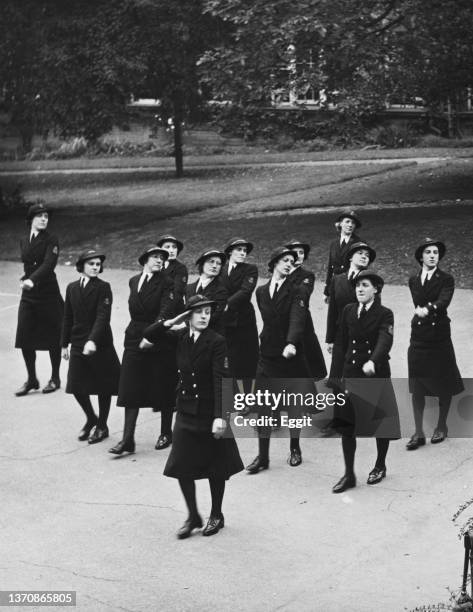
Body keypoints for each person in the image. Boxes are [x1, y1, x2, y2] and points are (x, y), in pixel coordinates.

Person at [143, 295, 243, 539]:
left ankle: (216, 514)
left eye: (208, 312)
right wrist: (170, 321)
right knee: (182, 465)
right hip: (187, 409)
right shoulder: (181, 337)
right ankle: (193, 515)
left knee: (216, 466)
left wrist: (221, 417)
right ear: (188, 316)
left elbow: (222, 380)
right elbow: (147, 336)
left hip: (210, 412)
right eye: (198, 312)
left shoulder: (216, 341)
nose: (204, 317)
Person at [332, 270, 400, 493]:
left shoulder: (384, 314)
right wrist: (338, 376)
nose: (359, 289)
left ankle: (380, 464)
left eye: (364, 285)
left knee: (381, 423)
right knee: (347, 426)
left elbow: (385, 339)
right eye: (357, 286)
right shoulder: (348, 310)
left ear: (376, 289)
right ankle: (349, 474)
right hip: (351, 374)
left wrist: (373, 360)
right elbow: (341, 344)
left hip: (375, 373)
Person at [247, 247, 313, 473]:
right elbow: (269, 321)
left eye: (292, 262)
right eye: (284, 260)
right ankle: (262, 457)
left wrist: (292, 342)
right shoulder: (261, 291)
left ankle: (295, 448)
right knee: (264, 407)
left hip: (290, 355)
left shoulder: (297, 290)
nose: (289, 264)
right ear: (274, 262)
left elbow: (298, 318)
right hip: (267, 355)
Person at [109, 245, 176, 455]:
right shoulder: (134, 281)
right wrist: (141, 335)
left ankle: (166, 432)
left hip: (158, 338)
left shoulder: (167, 282)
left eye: (162, 258)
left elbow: (166, 311)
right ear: (145, 260)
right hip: (134, 337)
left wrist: (152, 335)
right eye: (155, 257)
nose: (159, 260)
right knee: (130, 386)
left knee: (163, 385)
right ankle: (127, 439)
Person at [406, 238, 464, 450]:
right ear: (421, 257)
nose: (433, 255)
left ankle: (441, 426)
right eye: (428, 252)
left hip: (439, 336)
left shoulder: (446, 279)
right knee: (417, 384)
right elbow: (417, 303)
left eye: (436, 252)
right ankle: (418, 432)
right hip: (419, 336)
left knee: (443, 380)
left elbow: (443, 301)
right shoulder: (413, 279)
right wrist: (422, 311)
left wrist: (428, 309)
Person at [61, 249, 120, 443]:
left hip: (100, 343)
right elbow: (67, 317)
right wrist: (64, 344)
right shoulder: (71, 288)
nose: (95, 267)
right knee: (76, 386)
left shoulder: (104, 287)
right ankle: (91, 418)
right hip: (78, 343)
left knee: (104, 386)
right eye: (91, 264)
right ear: (81, 266)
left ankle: (102, 425)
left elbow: (103, 317)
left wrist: (92, 340)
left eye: (97, 264)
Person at [15, 203, 64, 396]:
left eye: (46, 216)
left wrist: (32, 280)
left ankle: (55, 377)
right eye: (40, 216)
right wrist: (25, 276)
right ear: (30, 220)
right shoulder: (23, 240)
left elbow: (48, 264)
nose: (44, 219)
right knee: (24, 335)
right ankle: (32, 379)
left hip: (48, 293)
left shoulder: (52, 239)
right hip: (29, 295)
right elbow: (29, 263)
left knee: (53, 336)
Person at [221, 237, 259, 393]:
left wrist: (226, 303)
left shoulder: (250, 269)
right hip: (224, 321)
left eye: (245, 250)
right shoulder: (221, 269)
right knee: (228, 359)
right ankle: (233, 395)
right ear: (230, 251)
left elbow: (245, 291)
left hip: (244, 321)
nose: (243, 253)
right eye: (239, 250)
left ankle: (248, 397)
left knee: (248, 360)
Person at [285, 239, 326, 380]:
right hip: (282, 320)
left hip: (302, 320)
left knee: (308, 360)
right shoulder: (279, 273)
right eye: (295, 252)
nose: (298, 255)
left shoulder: (307, 275)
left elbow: (303, 294)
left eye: (301, 252)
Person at [186, 249, 228, 335]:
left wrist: (184, 324)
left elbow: (214, 317)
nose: (215, 266)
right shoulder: (189, 288)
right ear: (202, 264)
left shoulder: (221, 291)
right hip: (189, 335)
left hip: (211, 337)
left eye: (218, 263)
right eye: (211, 262)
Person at [323, 210, 362, 300]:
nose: (350, 225)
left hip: (351, 286)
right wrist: (326, 291)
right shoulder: (334, 243)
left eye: (353, 223)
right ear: (340, 223)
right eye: (347, 221)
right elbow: (330, 268)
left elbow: (362, 268)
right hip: (335, 286)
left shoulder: (359, 243)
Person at [156, 234, 188, 313]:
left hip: (172, 311)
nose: (171, 250)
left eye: (174, 247)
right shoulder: (156, 266)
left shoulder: (180, 268)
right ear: (160, 250)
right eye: (167, 247)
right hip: (154, 309)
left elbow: (177, 294)